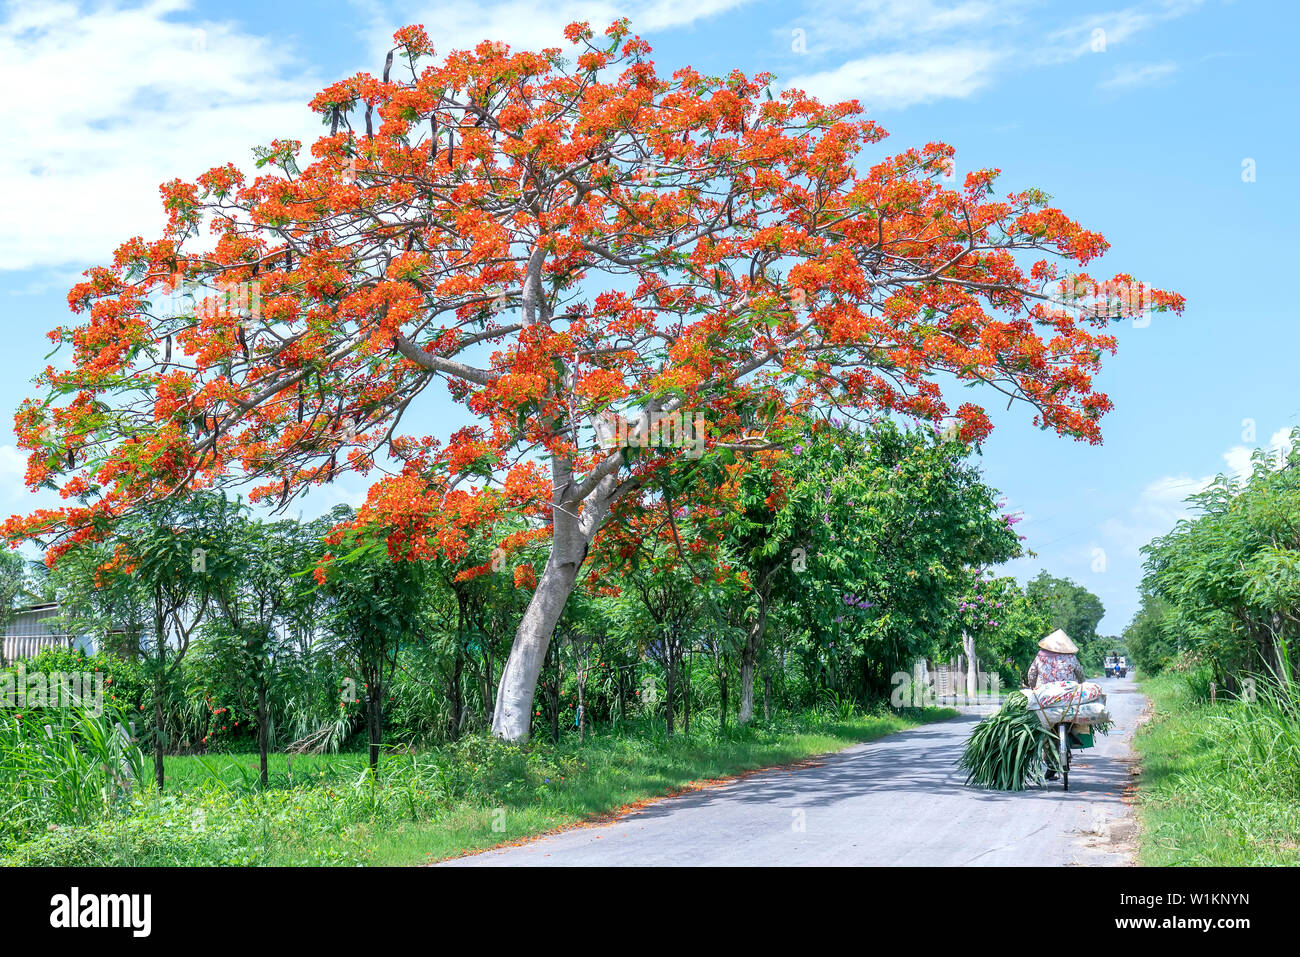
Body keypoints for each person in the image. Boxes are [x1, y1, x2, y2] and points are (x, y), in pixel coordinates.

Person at [1026, 629, 1085, 780]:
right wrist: (1081, 684)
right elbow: (1081, 674)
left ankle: (1051, 765)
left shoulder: (1040, 656)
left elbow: (1031, 674)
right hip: (1067, 697)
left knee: (1046, 732)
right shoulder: (1071, 657)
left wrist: (1033, 687)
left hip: (1046, 699)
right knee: (1073, 721)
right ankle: (1072, 740)